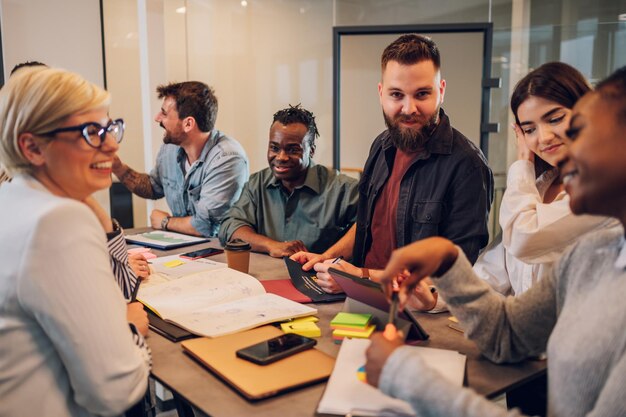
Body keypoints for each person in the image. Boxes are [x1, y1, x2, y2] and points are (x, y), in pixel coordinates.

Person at [365, 66, 626, 417]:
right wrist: (447, 262)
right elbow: (508, 335)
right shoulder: (594, 255)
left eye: (582, 131)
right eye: (529, 129)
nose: (558, 148)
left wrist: (408, 378)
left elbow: (524, 238)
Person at [291, 34, 493, 303]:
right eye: (396, 94)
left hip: (417, 313)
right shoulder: (382, 145)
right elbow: (367, 225)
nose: (408, 108)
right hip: (359, 300)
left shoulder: (467, 165)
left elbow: (454, 275)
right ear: (381, 93)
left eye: (422, 94)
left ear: (441, 91)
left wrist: (359, 276)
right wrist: (328, 257)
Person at [0, 66, 151, 416]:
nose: (112, 146)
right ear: (33, 147)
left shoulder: (13, 200)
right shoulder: (58, 222)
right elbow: (117, 389)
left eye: (111, 128)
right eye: (91, 132)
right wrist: (129, 329)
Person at [474, 62, 618, 296]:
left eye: (555, 119)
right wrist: (433, 296)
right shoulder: (539, 185)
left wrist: (523, 161)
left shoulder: (606, 190)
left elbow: (524, 240)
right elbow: (493, 272)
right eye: (529, 130)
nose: (544, 138)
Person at [112, 81, 249, 237]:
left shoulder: (227, 158)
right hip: (182, 248)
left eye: (164, 113)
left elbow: (205, 227)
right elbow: (153, 187)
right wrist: (117, 167)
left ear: (188, 123)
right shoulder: (170, 148)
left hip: (218, 252)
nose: (157, 118)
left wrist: (166, 222)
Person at [218, 105, 358, 257]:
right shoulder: (256, 184)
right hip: (266, 275)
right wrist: (271, 246)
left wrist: (324, 259)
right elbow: (230, 226)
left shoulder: (343, 189)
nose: (281, 157)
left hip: (318, 276)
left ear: (311, 151)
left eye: (292, 150)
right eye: (274, 148)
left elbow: (367, 229)